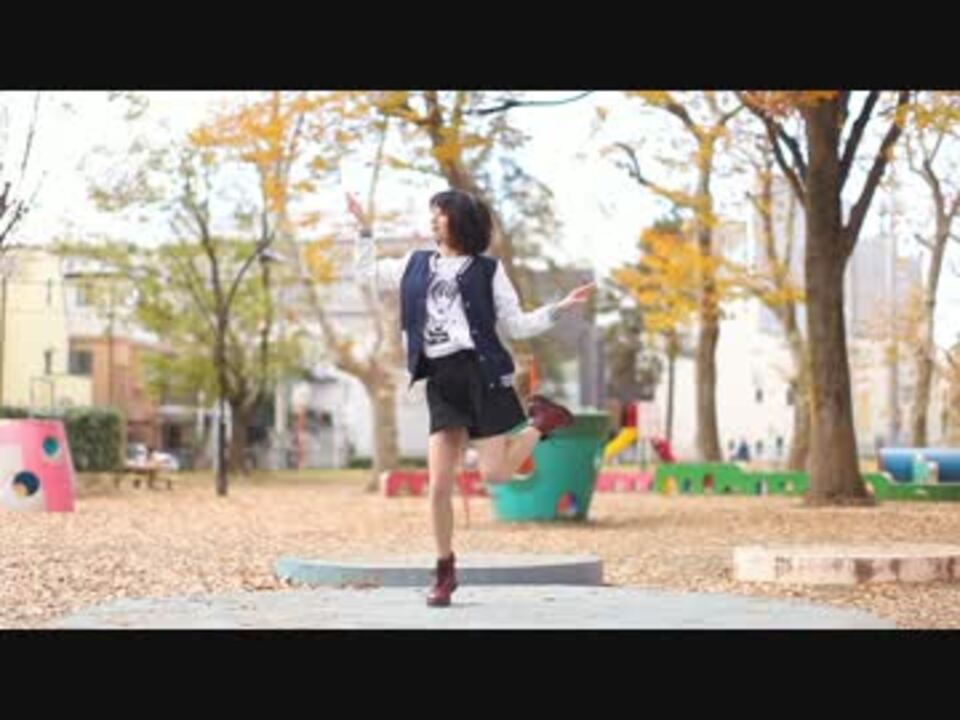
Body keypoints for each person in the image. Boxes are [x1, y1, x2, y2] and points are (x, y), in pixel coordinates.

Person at [347, 188, 593, 607]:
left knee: (495, 474)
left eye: (440, 213)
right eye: (433, 212)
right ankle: (444, 569)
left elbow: (514, 326)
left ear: (460, 220)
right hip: (441, 381)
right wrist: (364, 229)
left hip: (483, 376)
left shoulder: (488, 271)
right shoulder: (414, 264)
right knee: (439, 485)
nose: (433, 219)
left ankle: (540, 423)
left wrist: (558, 309)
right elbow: (365, 275)